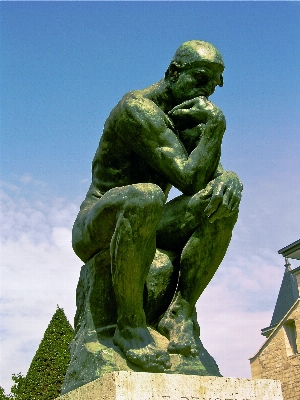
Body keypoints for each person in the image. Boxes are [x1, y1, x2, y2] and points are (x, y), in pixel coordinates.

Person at [72, 40, 243, 372]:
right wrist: (216, 126)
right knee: (146, 194)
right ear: (173, 72)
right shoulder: (136, 109)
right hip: (96, 224)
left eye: (214, 82)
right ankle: (130, 326)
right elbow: (188, 177)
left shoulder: (190, 115)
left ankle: (181, 310)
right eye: (200, 77)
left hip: (148, 222)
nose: (208, 90)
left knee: (223, 198)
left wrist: (230, 179)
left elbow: (209, 178)